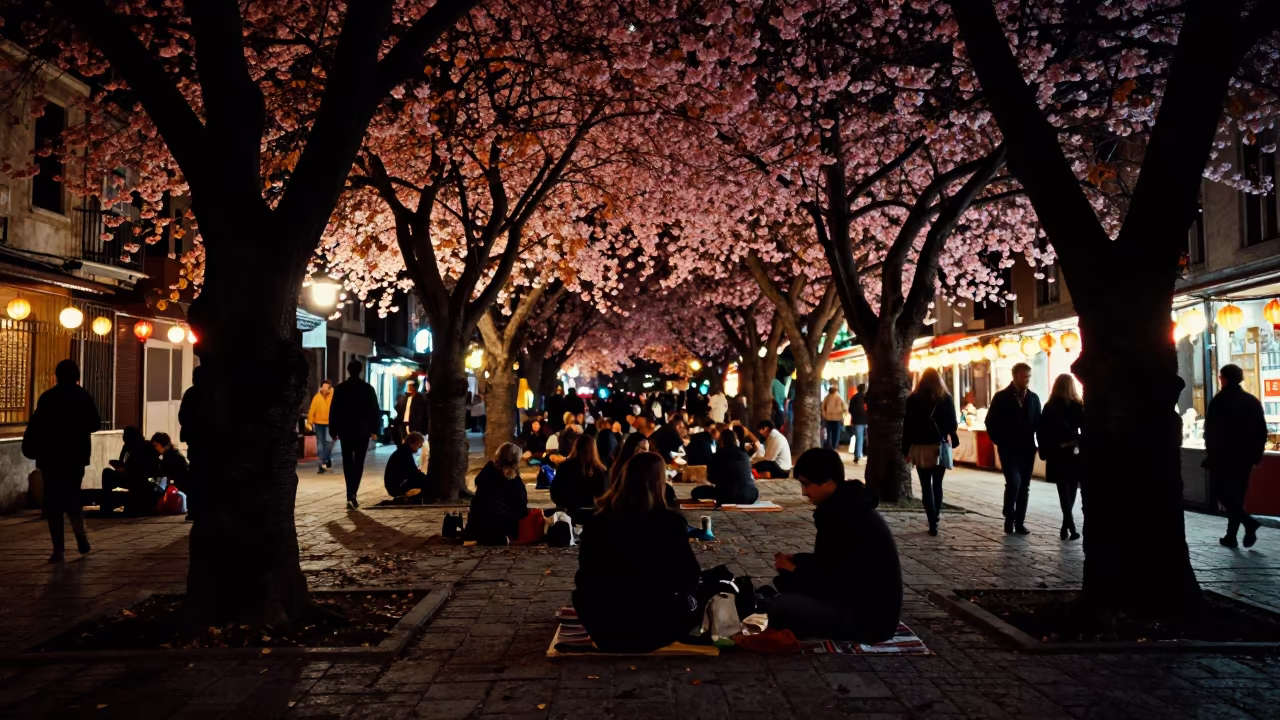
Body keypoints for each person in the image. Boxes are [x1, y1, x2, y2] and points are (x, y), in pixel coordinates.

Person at [768, 449, 902, 643]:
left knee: (781, 606)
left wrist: (796, 570)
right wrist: (796, 560)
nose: (804, 492)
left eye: (807, 484)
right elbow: (834, 560)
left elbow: (836, 580)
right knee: (785, 584)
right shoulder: (846, 505)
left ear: (828, 482)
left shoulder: (840, 514)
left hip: (869, 620)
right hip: (865, 607)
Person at [573, 452, 702, 652]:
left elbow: (585, 573)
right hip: (657, 625)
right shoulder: (670, 523)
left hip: (606, 625)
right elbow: (690, 575)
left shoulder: (597, 521)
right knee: (697, 599)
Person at [22, 359, 100, 563]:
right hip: (75, 457)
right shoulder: (83, 397)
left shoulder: (48, 398)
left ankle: (59, 550)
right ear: (77, 376)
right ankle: (80, 536)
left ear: (57, 375)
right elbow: (95, 424)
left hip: (51, 457)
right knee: (72, 497)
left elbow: (36, 425)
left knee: (54, 502)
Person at [1204, 363, 1267, 549]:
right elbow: (1261, 431)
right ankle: (1231, 536)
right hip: (1245, 458)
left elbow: (1211, 432)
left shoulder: (1219, 401)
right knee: (1237, 496)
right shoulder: (1251, 401)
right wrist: (1256, 456)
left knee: (1221, 493)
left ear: (1223, 378)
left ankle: (1248, 524)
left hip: (1222, 457)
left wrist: (1211, 453)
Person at [985, 362, 1042, 534]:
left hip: (1027, 448)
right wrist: (999, 440)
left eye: (1029, 377)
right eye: (1025, 376)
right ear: (1016, 376)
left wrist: (1041, 445)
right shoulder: (1001, 397)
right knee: (1014, 482)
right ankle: (1009, 515)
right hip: (1008, 448)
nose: (1027, 380)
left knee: (1024, 485)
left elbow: (1039, 423)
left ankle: (1019, 521)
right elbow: (990, 421)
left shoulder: (1033, 398)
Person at [901, 368, 959, 536]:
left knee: (926, 486)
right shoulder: (945, 399)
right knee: (937, 484)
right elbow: (953, 426)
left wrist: (906, 450)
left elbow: (908, 427)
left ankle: (931, 521)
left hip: (920, 448)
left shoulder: (913, 400)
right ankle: (936, 516)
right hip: (938, 447)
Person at [1036, 374, 1084, 541]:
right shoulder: (1078, 406)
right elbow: (1085, 428)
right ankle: (1068, 525)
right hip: (1073, 454)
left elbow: (1042, 431)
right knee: (1071, 490)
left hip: (1056, 454)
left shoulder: (1049, 407)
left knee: (1063, 491)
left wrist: (1045, 450)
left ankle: (1067, 524)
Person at [329, 359, 382, 510]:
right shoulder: (367, 389)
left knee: (347, 461)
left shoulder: (340, 389)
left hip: (346, 431)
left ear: (348, 370)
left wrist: (333, 430)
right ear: (361, 371)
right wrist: (375, 430)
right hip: (362, 431)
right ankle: (353, 492)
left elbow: (335, 411)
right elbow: (374, 411)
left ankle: (349, 492)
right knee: (359, 462)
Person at [463, 442, 528, 544]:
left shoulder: (488, 470)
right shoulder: (515, 481)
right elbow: (521, 508)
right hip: (500, 528)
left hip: (474, 526)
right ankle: (497, 538)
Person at [99, 425, 159, 514]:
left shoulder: (144, 447)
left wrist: (127, 470)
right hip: (126, 474)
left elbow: (144, 466)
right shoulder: (126, 447)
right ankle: (106, 504)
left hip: (138, 477)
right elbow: (123, 461)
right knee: (107, 473)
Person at [551, 433, 610, 523]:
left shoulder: (565, 467)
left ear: (576, 447)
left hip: (569, 514)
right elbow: (604, 495)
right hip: (593, 516)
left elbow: (555, 492)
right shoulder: (600, 471)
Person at [693, 428, 759, 505]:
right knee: (754, 490)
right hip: (748, 497)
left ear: (721, 441)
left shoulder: (717, 456)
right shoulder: (744, 455)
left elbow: (711, 478)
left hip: (726, 496)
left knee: (695, 492)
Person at [384, 432, 435, 499]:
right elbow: (413, 473)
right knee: (425, 482)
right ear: (413, 443)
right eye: (419, 445)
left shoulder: (403, 451)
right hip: (396, 487)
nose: (419, 448)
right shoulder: (404, 453)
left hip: (394, 485)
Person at [307, 380, 335, 474]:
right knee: (320, 443)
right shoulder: (317, 397)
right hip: (318, 423)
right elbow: (312, 410)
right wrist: (310, 422)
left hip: (330, 423)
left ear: (330, 388)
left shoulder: (334, 396)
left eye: (326, 388)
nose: (324, 390)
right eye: (323, 388)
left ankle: (322, 459)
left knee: (329, 442)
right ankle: (323, 462)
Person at [394, 379, 429, 445]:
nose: (408, 388)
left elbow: (424, 414)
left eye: (410, 386)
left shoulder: (421, 399)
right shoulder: (405, 398)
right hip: (404, 425)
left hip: (416, 426)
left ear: (414, 387)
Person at [821, 385, 848, 451]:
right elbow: (845, 408)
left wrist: (825, 415)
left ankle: (828, 446)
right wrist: (843, 416)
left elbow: (822, 407)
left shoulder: (826, 397)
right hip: (837, 419)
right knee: (836, 434)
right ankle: (834, 447)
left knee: (828, 433)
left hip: (828, 418)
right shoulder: (840, 398)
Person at [848, 383, 868, 463]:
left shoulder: (854, 398)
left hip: (857, 421)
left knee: (859, 438)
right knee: (864, 438)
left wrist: (854, 416)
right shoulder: (867, 398)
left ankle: (857, 455)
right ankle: (861, 453)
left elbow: (850, 409)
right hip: (866, 420)